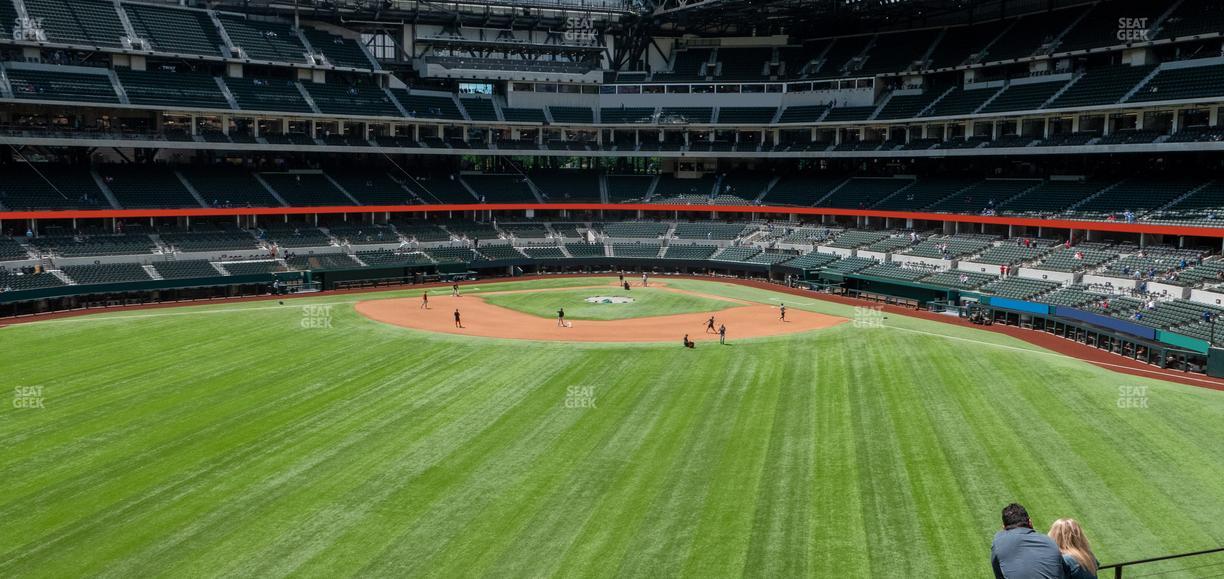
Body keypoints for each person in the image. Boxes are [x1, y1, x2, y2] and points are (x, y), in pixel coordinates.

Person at [990, 503, 1067, 579]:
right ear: (1030, 522)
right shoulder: (1049, 541)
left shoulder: (999, 540)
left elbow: (999, 575)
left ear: (1004, 528)